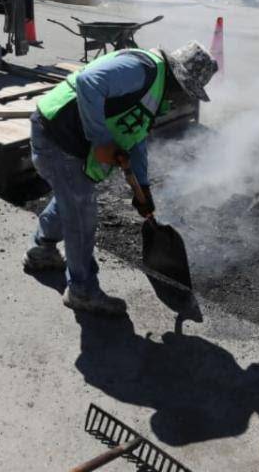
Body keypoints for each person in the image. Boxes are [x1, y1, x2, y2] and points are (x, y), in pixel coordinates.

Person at [24, 41, 217, 316]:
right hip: (57, 136)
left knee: (72, 197)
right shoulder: (141, 69)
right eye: (184, 89)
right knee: (81, 211)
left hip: (70, 141)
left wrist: (143, 190)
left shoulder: (156, 89)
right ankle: (81, 291)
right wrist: (101, 140)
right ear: (176, 76)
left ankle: (42, 250)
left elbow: (135, 138)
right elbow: (89, 82)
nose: (183, 97)